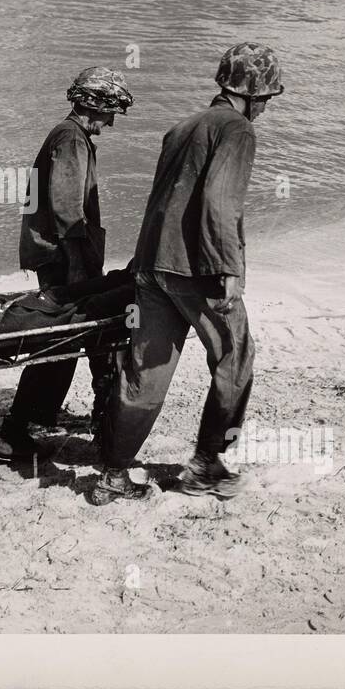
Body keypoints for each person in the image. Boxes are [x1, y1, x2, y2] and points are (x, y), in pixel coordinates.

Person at [89, 43, 284, 506]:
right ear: (253, 93)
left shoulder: (182, 128)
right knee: (235, 359)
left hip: (153, 264)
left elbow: (160, 199)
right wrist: (228, 268)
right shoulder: (236, 129)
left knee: (146, 371)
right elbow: (220, 202)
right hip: (197, 267)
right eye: (268, 98)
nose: (267, 108)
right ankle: (207, 465)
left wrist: (143, 262)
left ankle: (113, 474)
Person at [0, 66, 133, 462]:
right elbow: (67, 210)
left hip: (58, 255)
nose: (111, 121)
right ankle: (17, 431)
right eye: (110, 112)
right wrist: (80, 272)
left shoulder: (69, 136)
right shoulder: (72, 138)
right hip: (63, 258)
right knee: (64, 341)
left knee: (67, 343)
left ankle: (32, 425)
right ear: (96, 104)